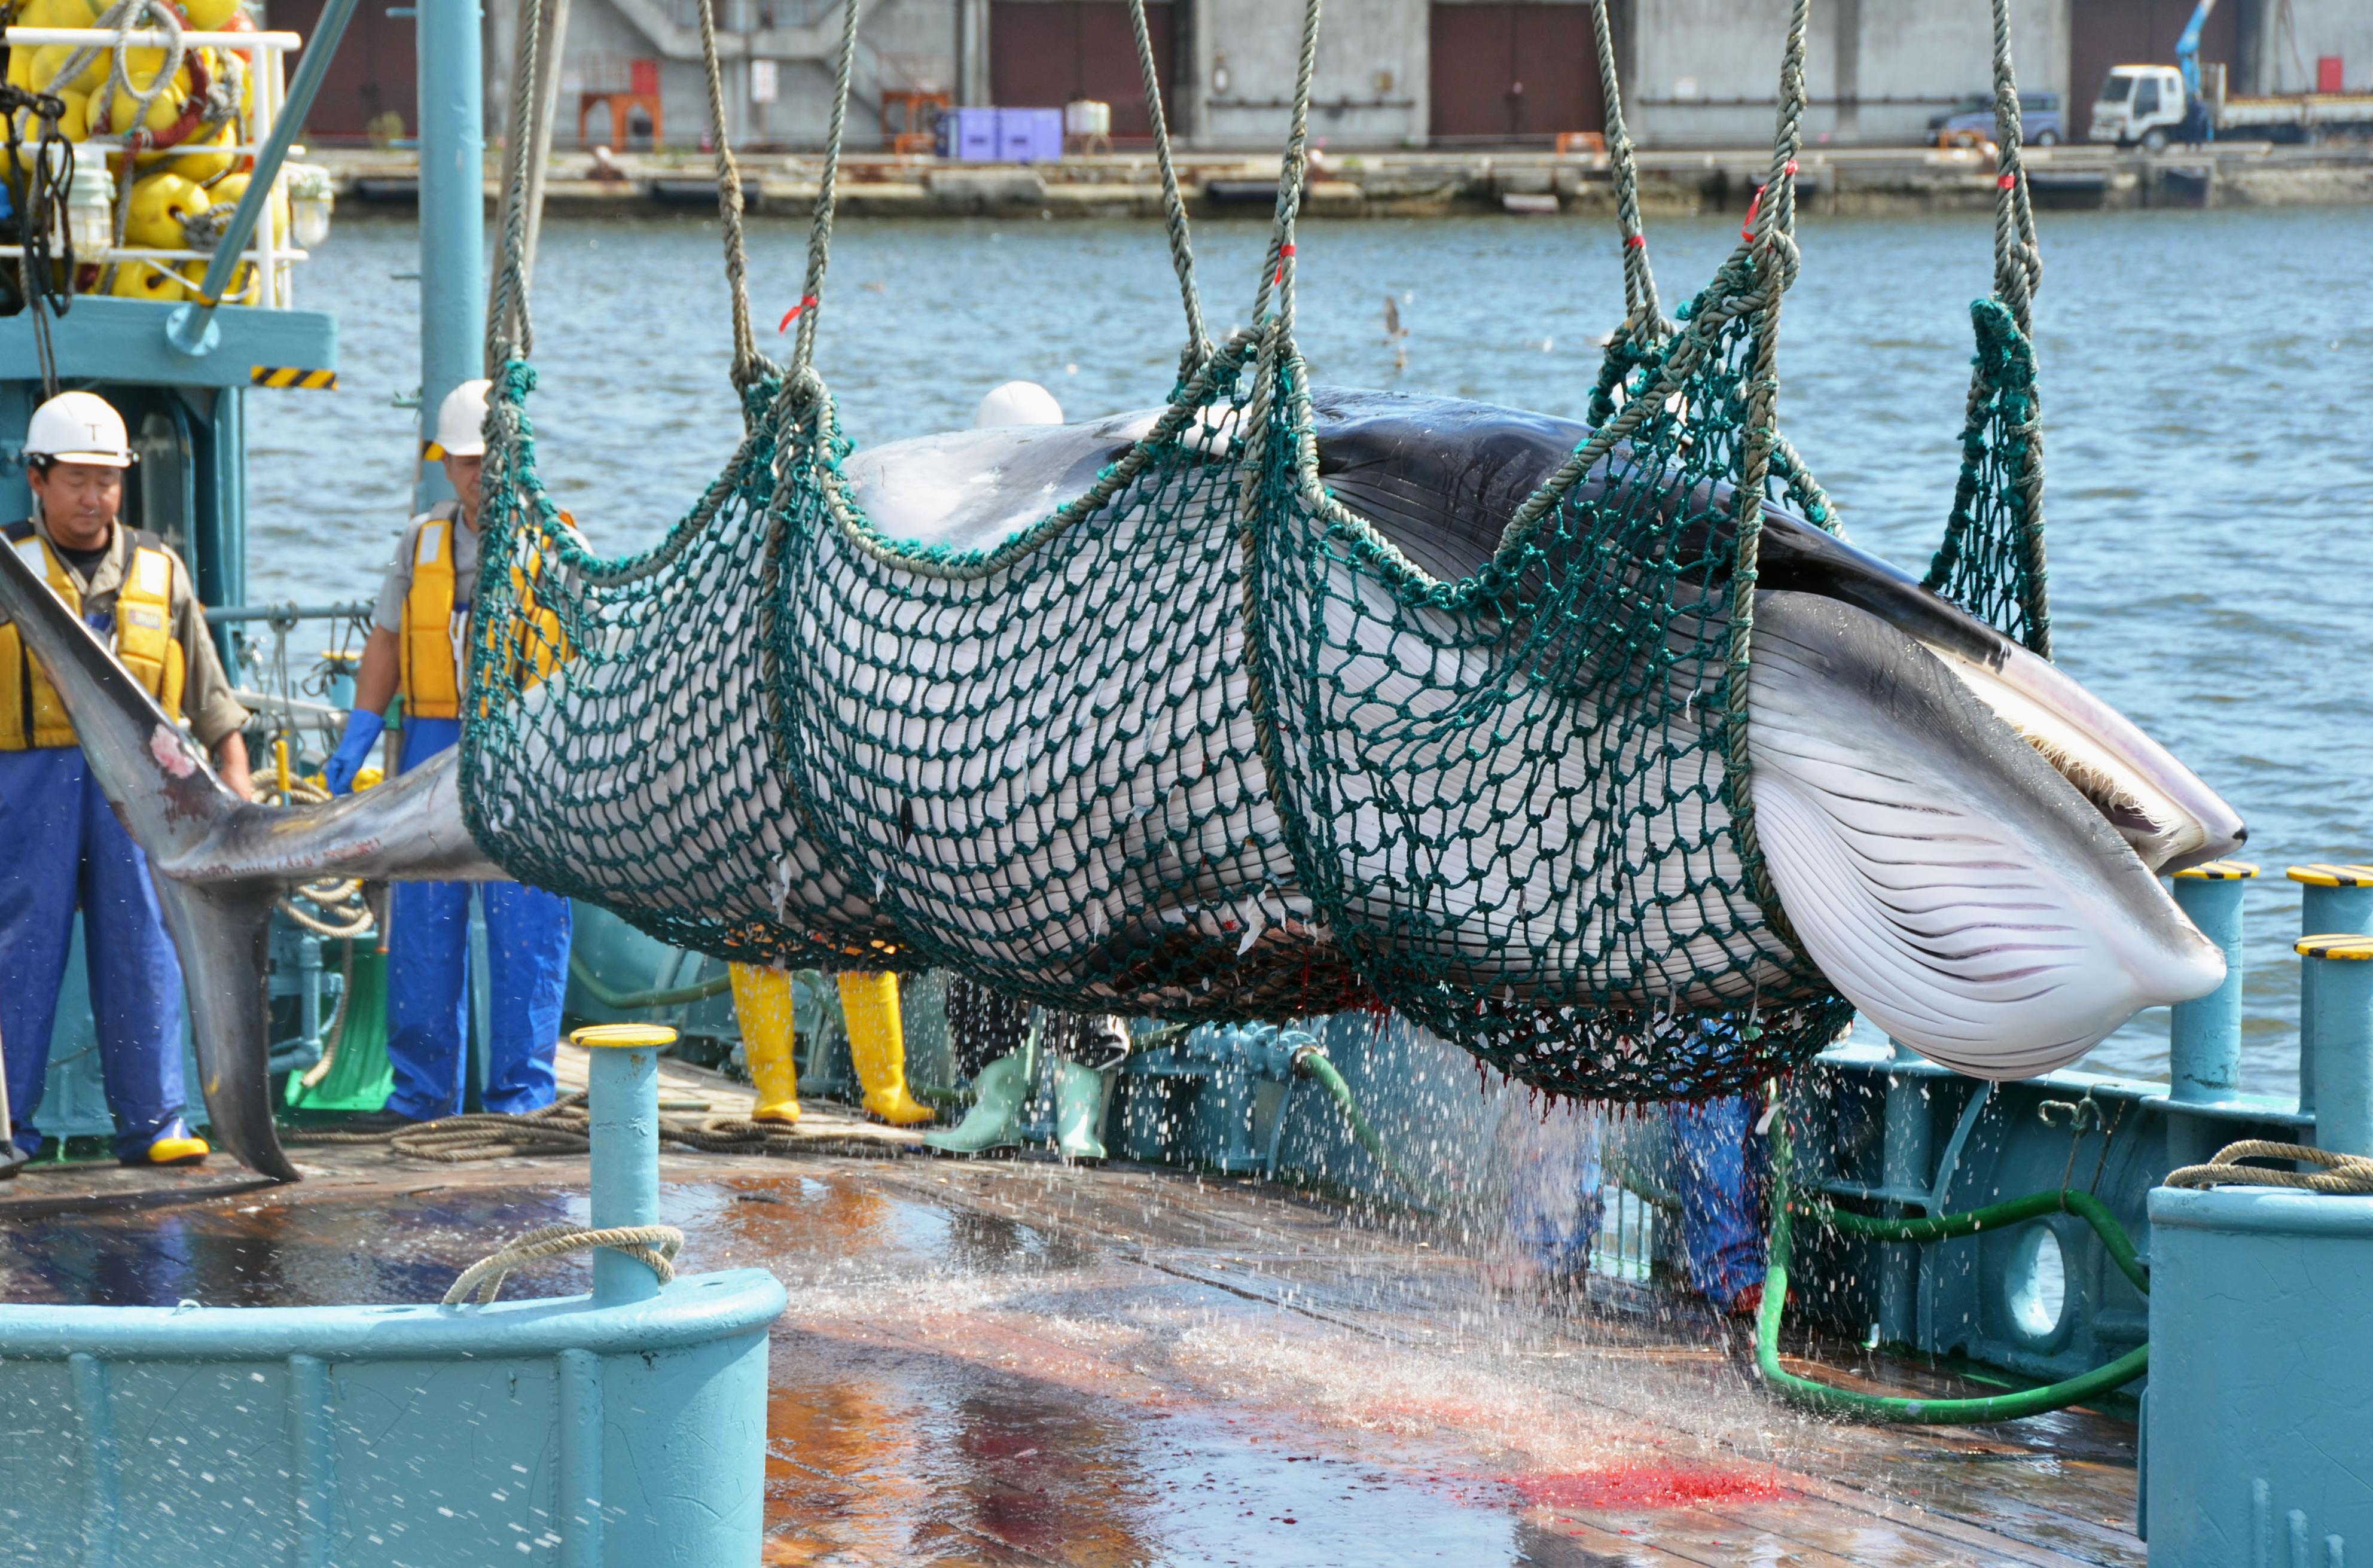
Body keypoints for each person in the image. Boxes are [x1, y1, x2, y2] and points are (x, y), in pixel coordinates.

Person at [1, 391, 252, 1167]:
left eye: (107, 480)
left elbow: (212, 700)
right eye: (76, 478)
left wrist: (237, 789)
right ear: (37, 479)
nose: (93, 496)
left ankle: (154, 1123)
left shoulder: (159, 570)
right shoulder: (8, 566)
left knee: (143, 938)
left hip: (139, 796)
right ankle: (10, 1126)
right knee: (18, 948)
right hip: (24, 789)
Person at [321, 379, 572, 1128]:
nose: (479, 475)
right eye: (464, 460)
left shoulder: (558, 541)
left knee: (528, 925)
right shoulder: (418, 541)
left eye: (491, 459)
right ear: (444, 462)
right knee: (424, 920)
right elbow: (389, 640)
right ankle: (421, 1096)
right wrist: (361, 727)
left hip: (525, 748)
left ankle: (522, 1099)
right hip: (431, 739)